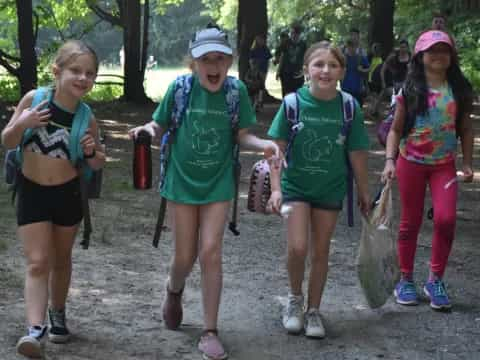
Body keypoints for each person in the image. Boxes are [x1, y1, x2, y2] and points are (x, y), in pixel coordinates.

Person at [129, 25, 280, 360]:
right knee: (185, 256)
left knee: (210, 251)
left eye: (221, 59)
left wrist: (264, 144)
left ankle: (210, 330)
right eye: (206, 59)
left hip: (218, 182)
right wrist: (146, 130)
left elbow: (243, 135)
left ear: (229, 62)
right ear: (193, 63)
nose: (214, 66)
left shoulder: (235, 91)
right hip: (181, 180)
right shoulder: (180, 88)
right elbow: (160, 124)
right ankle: (174, 289)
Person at [1, 40, 105, 358]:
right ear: (56, 71)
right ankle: (35, 329)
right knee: (37, 262)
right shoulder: (35, 100)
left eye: (90, 73)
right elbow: (7, 140)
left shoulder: (86, 118)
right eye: (76, 70)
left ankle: (57, 311)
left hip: (67, 194)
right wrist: (23, 122)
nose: (83, 78)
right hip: (31, 191)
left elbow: (98, 162)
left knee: (61, 260)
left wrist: (90, 152)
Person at [267, 41, 370, 338]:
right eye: (319, 64)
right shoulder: (291, 104)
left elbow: (358, 152)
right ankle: (294, 300)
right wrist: (275, 189)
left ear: (342, 71)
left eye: (333, 65)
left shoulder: (349, 107)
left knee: (322, 250)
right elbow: (276, 151)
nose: (325, 70)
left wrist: (364, 190)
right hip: (295, 187)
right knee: (298, 247)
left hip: (331, 189)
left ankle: (313, 310)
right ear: (305, 71)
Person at [381, 30, 474, 311]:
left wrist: (467, 163)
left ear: (452, 56)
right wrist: (389, 161)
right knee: (410, 222)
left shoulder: (459, 90)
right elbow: (395, 130)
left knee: (445, 220)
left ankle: (435, 279)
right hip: (410, 163)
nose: (438, 55)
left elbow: (467, 129)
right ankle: (405, 279)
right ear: (420, 56)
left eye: (444, 50)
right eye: (432, 50)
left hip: (444, 167)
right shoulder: (408, 90)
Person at [277, 24, 307, 97]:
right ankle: (286, 106)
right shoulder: (286, 43)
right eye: (291, 33)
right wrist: (278, 71)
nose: (293, 35)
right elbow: (282, 57)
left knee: (298, 92)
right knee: (286, 92)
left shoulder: (303, 44)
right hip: (286, 72)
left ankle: (297, 107)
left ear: (299, 34)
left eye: (294, 33)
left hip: (298, 72)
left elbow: (306, 58)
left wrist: (304, 71)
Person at [341, 38, 370, 105]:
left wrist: (362, 70)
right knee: (346, 108)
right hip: (346, 87)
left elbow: (369, 69)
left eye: (353, 46)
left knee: (358, 107)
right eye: (349, 46)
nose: (351, 48)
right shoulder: (343, 58)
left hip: (358, 87)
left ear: (356, 47)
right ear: (347, 46)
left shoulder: (360, 58)